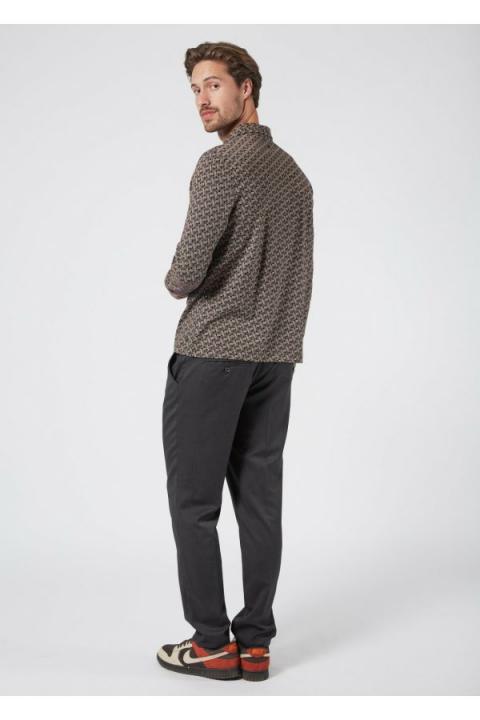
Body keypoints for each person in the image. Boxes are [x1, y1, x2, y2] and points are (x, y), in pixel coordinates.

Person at [156, 41, 314, 682]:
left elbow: (185, 273)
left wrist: (176, 278)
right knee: (260, 503)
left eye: (214, 84)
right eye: (195, 88)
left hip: (213, 353)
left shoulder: (220, 167)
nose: (202, 99)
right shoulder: (295, 176)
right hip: (274, 360)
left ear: (247, 88)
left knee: (194, 504)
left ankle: (211, 644)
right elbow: (299, 278)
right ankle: (256, 644)